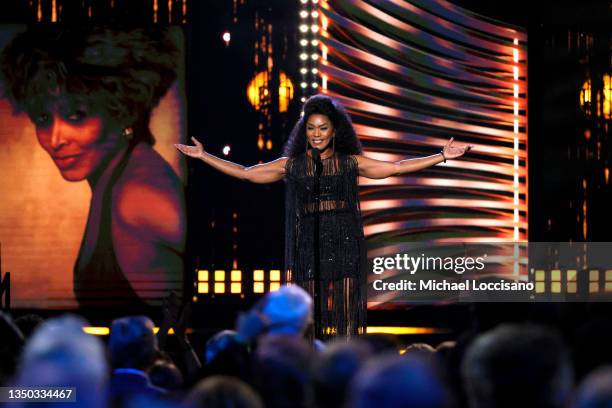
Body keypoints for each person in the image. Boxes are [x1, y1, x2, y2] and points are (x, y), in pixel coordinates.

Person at [175, 94, 471, 337]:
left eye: (323, 128)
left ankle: (343, 355)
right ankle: (309, 353)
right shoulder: (293, 164)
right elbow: (246, 173)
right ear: (304, 131)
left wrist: (441, 155)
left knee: (344, 306)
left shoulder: (349, 162)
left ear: (334, 130)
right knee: (308, 304)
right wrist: (204, 156)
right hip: (309, 240)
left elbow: (394, 168)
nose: (316, 134)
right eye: (311, 128)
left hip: (344, 237)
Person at [0, 26, 186, 307]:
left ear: (121, 109)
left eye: (76, 116)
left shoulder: (139, 194)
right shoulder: (118, 177)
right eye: (42, 118)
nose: (55, 139)